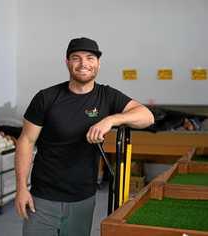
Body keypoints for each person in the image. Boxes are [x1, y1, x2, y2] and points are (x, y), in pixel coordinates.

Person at [15, 37, 154, 236]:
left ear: (98, 63)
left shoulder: (107, 96)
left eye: (90, 58)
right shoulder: (46, 98)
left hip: (83, 198)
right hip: (43, 198)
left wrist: (111, 120)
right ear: (67, 62)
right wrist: (21, 188)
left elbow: (146, 116)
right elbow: (26, 141)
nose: (83, 64)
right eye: (76, 58)